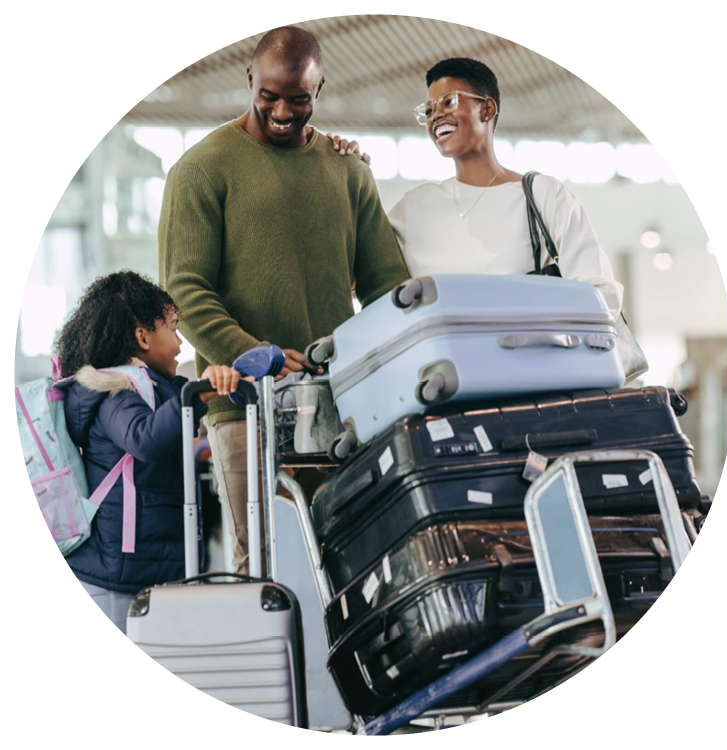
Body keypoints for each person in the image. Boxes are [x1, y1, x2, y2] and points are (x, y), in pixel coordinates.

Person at [158, 26, 409, 575]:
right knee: (269, 566)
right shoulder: (201, 170)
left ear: (319, 89)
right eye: (268, 95)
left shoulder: (347, 170)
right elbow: (185, 289)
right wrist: (259, 354)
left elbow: (387, 286)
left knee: (355, 561)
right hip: (245, 406)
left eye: (297, 99)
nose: (280, 110)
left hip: (340, 404)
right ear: (249, 79)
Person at [347, 57, 621, 315]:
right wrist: (347, 178)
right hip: (445, 363)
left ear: (487, 109)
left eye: (448, 102)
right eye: (429, 110)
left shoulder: (542, 196)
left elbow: (600, 295)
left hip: (531, 361)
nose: (435, 116)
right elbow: (357, 276)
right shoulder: (415, 207)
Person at [56, 271, 244, 634]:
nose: (180, 344)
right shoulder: (115, 391)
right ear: (143, 337)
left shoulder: (152, 389)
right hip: (117, 575)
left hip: (139, 564)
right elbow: (145, 438)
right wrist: (200, 394)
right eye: (173, 329)